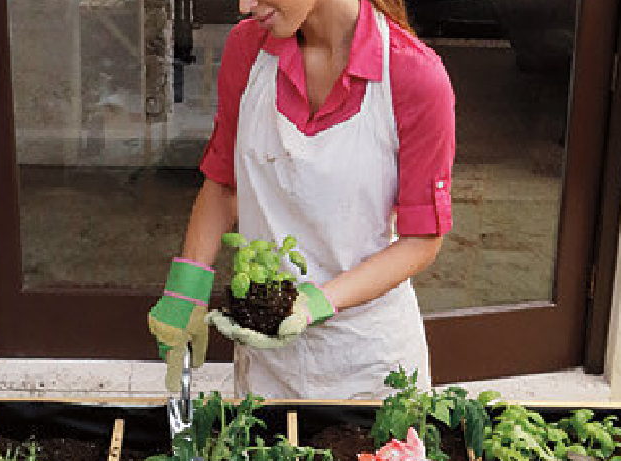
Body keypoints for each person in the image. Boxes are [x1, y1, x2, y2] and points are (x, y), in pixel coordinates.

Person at [147, 0, 455, 401]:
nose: (244, 6)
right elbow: (225, 184)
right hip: (267, 364)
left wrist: (319, 301)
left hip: (369, 364)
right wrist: (186, 288)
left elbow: (421, 241)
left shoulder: (414, 77)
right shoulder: (248, 50)